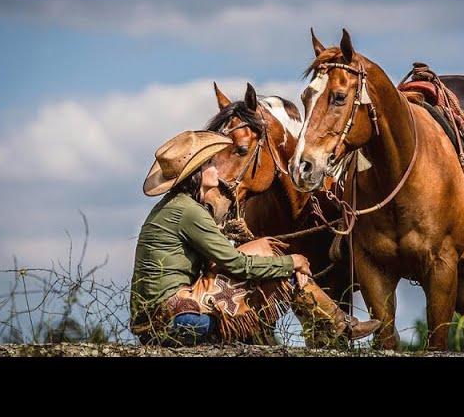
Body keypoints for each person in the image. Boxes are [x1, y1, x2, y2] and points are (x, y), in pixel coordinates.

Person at [129, 130, 381, 346]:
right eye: (210, 164)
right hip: (177, 321)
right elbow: (236, 264)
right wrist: (291, 262)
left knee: (264, 252)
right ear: (197, 173)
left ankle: (334, 325)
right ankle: (334, 327)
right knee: (278, 267)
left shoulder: (176, 206)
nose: (217, 168)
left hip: (159, 320)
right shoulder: (188, 211)